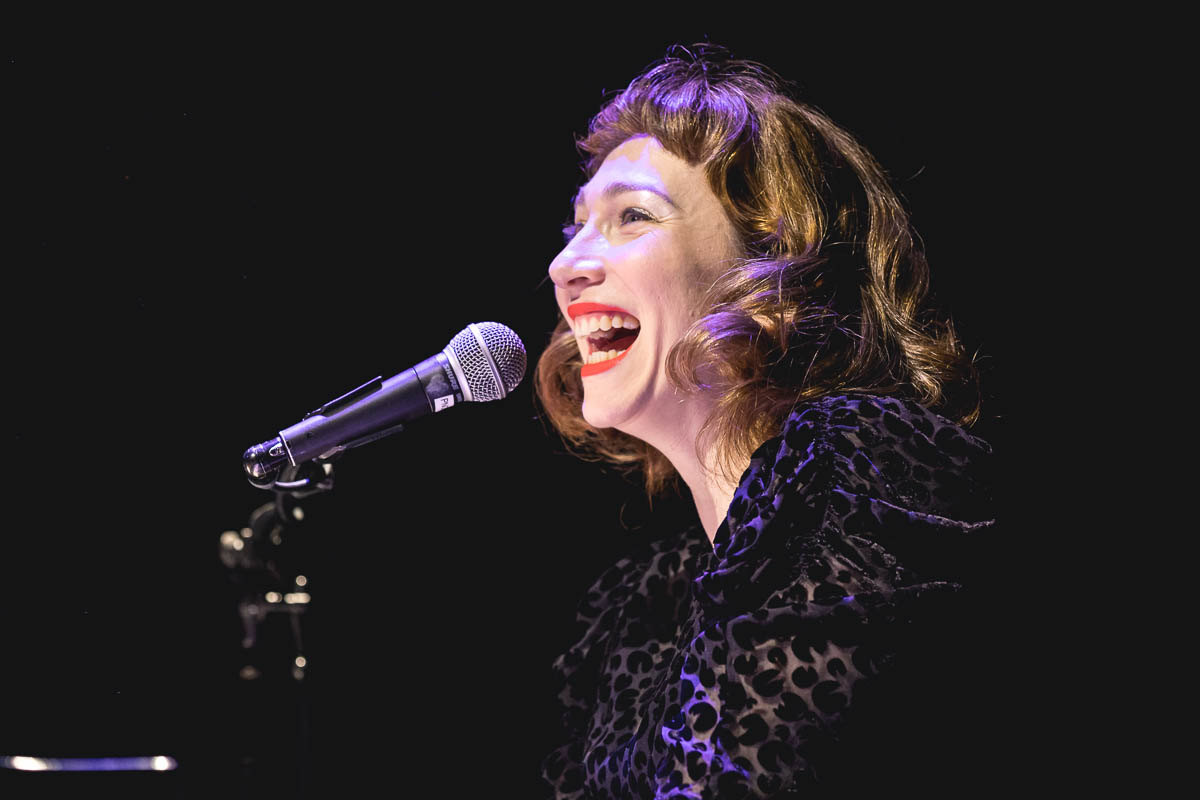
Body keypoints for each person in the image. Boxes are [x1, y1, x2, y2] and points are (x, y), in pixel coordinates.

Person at [535, 44, 995, 798]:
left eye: (632, 216)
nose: (565, 266)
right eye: (576, 225)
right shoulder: (644, 604)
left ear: (777, 278)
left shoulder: (854, 475)